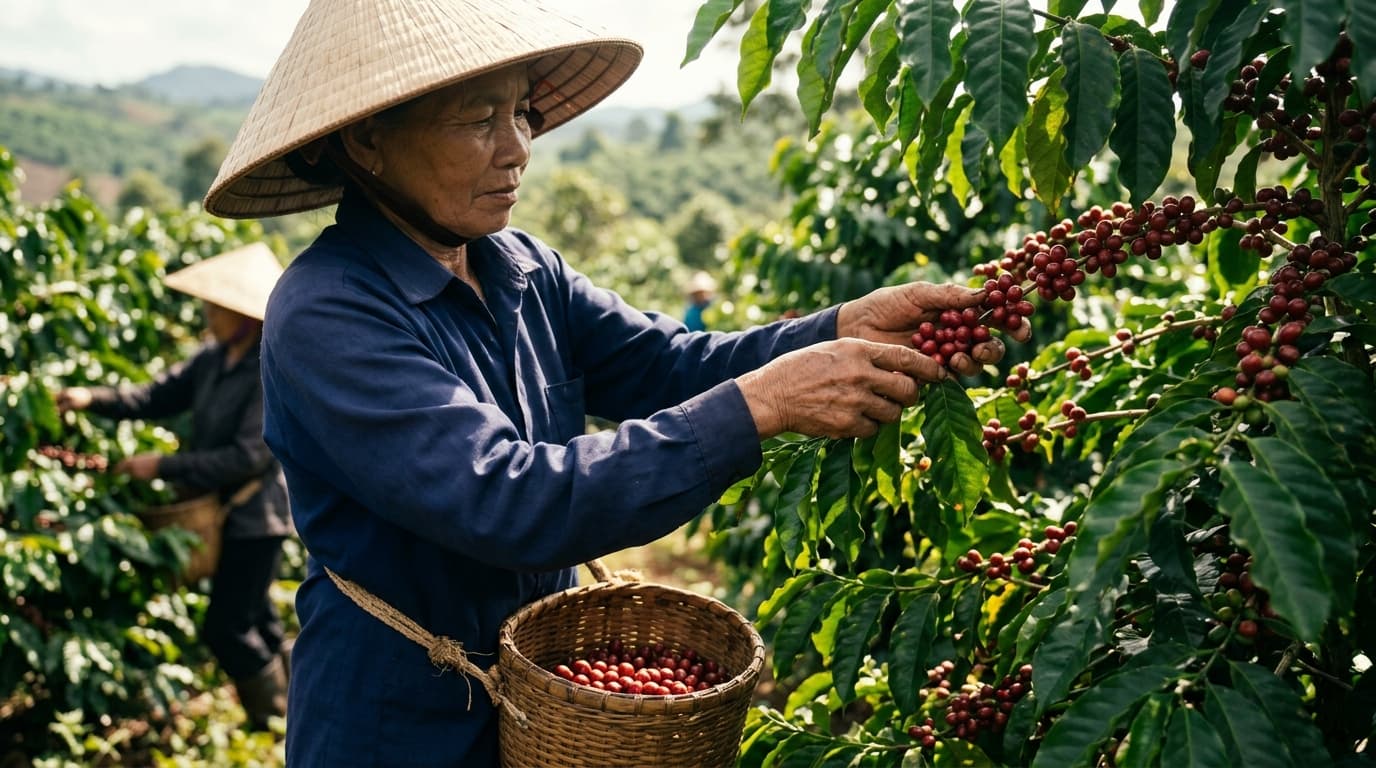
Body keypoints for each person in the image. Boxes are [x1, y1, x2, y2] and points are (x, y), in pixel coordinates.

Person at [202, 0, 1023, 763]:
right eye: (478, 119)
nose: (518, 145)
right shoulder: (328, 312)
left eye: (521, 110)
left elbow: (669, 366)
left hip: (552, 693)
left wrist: (840, 328)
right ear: (366, 141)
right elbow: (509, 499)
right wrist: (766, 404)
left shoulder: (521, 267)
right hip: (400, 719)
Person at [56, 243, 293, 732]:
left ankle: (277, 720)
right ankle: (297, 713)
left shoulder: (265, 370)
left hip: (256, 516)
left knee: (227, 627)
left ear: (242, 315)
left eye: (216, 307)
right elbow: (152, 397)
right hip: (224, 512)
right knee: (258, 620)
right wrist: (89, 398)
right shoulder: (211, 361)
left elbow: (250, 456)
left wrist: (161, 465)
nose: (207, 314)